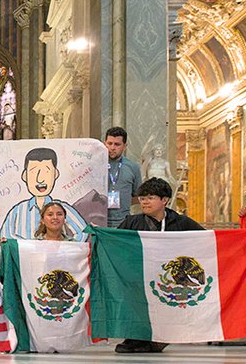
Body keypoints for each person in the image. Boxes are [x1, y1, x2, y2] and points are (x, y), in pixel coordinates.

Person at [113, 177, 205, 354]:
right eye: (142, 198)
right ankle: (138, 338)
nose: (145, 202)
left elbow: (206, 240)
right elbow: (114, 242)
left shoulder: (181, 222)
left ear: (165, 200)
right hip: (139, 277)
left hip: (170, 279)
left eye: (150, 197)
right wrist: (98, 233)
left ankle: (159, 338)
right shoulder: (132, 222)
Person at [0, 147, 88, 242]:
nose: (40, 179)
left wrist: (68, 249)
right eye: (34, 172)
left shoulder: (61, 208)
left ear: (55, 174)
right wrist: (28, 247)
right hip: (28, 256)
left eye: (46, 171)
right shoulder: (18, 210)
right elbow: (5, 236)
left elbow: (83, 231)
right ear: (25, 175)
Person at [105, 126, 142, 227]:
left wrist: (124, 201)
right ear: (105, 144)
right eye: (109, 143)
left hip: (123, 221)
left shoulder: (133, 167)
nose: (112, 147)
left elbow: (137, 195)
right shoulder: (96, 164)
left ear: (125, 146)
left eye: (117, 144)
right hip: (99, 221)